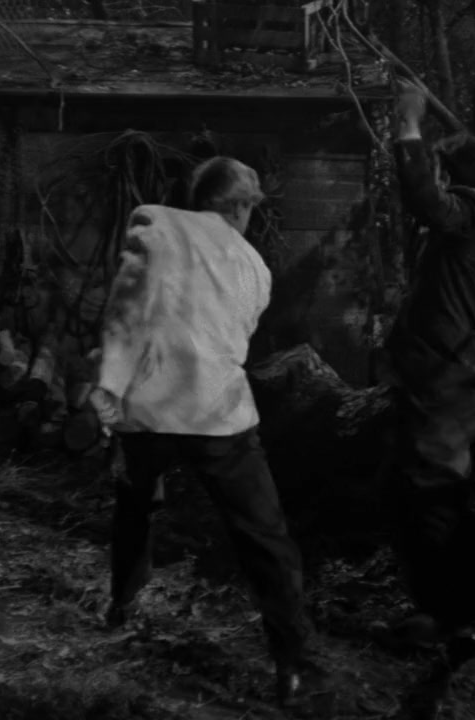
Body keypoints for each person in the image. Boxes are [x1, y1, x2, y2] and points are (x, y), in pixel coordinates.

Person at [90, 156, 328, 708]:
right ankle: (293, 664)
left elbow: (125, 313)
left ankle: (122, 603)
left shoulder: (155, 224)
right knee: (265, 536)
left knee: (135, 502)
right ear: (241, 206)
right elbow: (238, 335)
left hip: (149, 407)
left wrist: (109, 389)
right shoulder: (254, 265)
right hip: (216, 412)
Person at [380, 81, 475, 646]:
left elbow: (424, 197)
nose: (438, 178)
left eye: (443, 170)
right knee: (415, 489)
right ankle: (455, 608)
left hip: (450, 378)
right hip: (441, 375)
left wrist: (408, 125)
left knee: (434, 492)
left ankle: (451, 616)